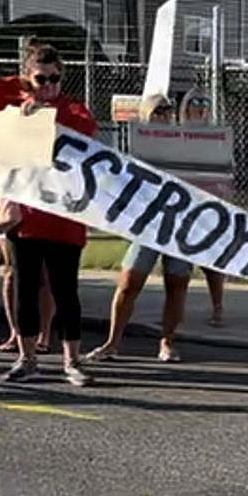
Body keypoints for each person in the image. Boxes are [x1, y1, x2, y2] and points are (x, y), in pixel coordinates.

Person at [0, 41, 98, 386]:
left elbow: (85, 128)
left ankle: (72, 360)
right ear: (30, 78)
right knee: (25, 289)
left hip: (64, 219)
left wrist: (45, 111)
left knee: (65, 291)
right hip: (25, 218)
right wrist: (23, 90)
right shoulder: (17, 104)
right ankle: (27, 358)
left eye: (55, 79)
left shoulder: (72, 107)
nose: (50, 86)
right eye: (42, 79)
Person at [86, 93, 206, 364]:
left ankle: (168, 342)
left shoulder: (182, 143)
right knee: (129, 283)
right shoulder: (137, 147)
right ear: (145, 116)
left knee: (177, 284)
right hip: (147, 223)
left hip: (178, 223)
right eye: (156, 111)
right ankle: (112, 342)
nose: (162, 115)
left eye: (166, 110)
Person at [178, 88, 225, 326]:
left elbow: (224, 167)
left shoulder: (214, 136)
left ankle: (218, 307)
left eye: (204, 102)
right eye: (195, 102)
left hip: (207, 204)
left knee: (212, 261)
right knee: (179, 263)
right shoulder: (176, 136)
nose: (200, 106)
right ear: (185, 107)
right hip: (182, 204)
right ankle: (177, 310)